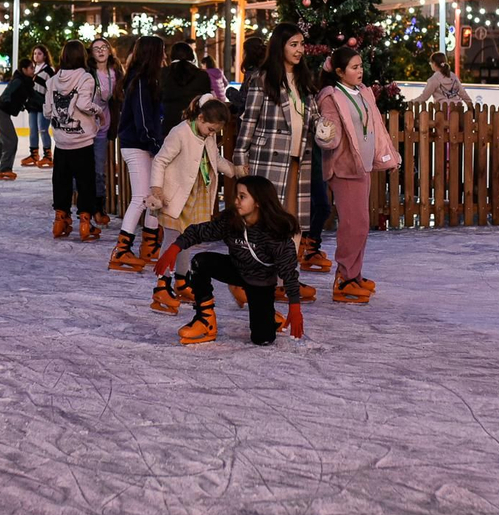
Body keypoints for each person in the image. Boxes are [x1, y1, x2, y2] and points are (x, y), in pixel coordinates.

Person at [155, 175, 304, 347]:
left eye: (242, 196)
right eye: (236, 196)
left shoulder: (275, 232)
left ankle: (268, 314)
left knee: (262, 338)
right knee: (200, 261)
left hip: (260, 281)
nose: (236, 201)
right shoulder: (231, 220)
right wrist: (175, 247)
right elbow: (200, 231)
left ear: (259, 202)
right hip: (237, 269)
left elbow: (288, 272)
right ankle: (205, 320)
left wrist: (295, 305)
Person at [232, 22, 318, 303]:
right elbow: (249, 120)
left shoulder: (304, 81)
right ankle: (247, 280)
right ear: (279, 46)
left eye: (301, 44)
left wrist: (323, 126)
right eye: (293, 44)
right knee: (265, 223)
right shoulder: (262, 78)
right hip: (268, 160)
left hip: (297, 162)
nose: (299, 50)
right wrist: (240, 156)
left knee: (292, 224)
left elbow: (312, 118)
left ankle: (284, 277)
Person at [315, 46, 399, 302]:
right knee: (354, 225)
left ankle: (354, 274)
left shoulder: (363, 92)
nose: (360, 71)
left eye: (361, 65)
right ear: (340, 72)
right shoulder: (331, 96)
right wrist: (326, 135)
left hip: (362, 165)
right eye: (354, 67)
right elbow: (330, 132)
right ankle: (344, 279)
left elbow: (375, 126)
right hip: (344, 167)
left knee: (361, 226)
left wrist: (387, 155)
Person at [145, 96, 236, 314]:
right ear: (200, 117)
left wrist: (235, 170)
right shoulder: (180, 133)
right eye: (210, 128)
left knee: (188, 239)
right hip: (175, 197)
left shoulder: (208, 135)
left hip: (198, 195)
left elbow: (215, 159)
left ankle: (181, 281)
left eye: (215, 131)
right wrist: (156, 188)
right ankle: (161, 286)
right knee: (171, 240)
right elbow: (160, 160)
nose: (212, 133)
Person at [110, 36, 167, 271]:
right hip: (137, 145)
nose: (165, 56)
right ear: (153, 53)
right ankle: (121, 250)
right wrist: (155, 145)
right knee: (142, 197)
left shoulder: (148, 79)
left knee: (155, 197)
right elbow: (143, 120)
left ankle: (149, 244)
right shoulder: (141, 81)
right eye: (162, 51)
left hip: (145, 144)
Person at [45, 39, 102, 242]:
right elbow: (85, 104)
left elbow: (47, 111)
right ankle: (85, 223)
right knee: (86, 182)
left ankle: (60, 220)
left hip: (61, 141)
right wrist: (99, 111)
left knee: (61, 181)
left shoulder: (52, 80)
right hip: (82, 141)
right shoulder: (86, 77)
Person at [0, 59, 34, 180]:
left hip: (2, 111)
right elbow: (9, 92)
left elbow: (23, 97)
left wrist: (21, 105)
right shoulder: (18, 81)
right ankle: (4, 169)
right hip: (2, 112)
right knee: (11, 140)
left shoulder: (25, 82)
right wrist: (7, 100)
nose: (33, 70)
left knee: (3, 141)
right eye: (31, 68)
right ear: (24, 69)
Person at [88, 36, 121, 225]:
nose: (101, 51)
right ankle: (84, 206)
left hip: (103, 127)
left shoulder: (116, 72)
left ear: (109, 51)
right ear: (91, 53)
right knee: (83, 169)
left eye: (104, 47)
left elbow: (119, 99)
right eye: (96, 48)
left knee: (99, 170)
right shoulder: (87, 72)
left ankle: (98, 208)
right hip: (84, 128)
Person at [160, 41, 212, 134]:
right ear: (192, 56)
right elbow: (207, 99)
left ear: (171, 56)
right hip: (194, 125)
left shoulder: (162, 74)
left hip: (168, 123)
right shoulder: (202, 75)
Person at [21, 44, 54, 168]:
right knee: (33, 130)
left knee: (43, 129)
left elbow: (52, 88)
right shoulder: (32, 69)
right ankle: (34, 154)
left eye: (39, 53)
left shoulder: (49, 70)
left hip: (43, 104)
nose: (36, 56)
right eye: (35, 53)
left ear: (45, 56)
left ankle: (48, 156)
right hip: (32, 104)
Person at [226, 36, 267, 119]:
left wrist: (229, 92)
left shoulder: (254, 74)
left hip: (251, 120)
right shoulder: (266, 70)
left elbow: (245, 100)